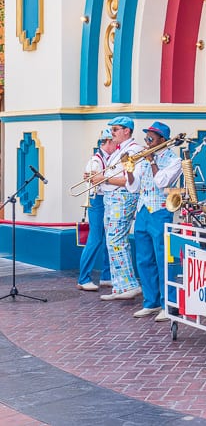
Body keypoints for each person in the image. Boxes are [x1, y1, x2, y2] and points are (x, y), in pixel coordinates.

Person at [126, 122, 182, 322]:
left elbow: (162, 182)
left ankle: (169, 304)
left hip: (160, 212)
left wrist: (151, 161)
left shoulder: (173, 161)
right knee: (143, 259)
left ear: (162, 141)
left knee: (162, 259)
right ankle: (151, 302)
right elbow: (133, 188)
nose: (147, 141)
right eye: (147, 138)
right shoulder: (142, 160)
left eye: (151, 138)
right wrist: (129, 169)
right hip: (142, 211)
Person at [93, 116, 143, 301]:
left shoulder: (134, 150)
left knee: (116, 240)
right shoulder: (118, 151)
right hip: (111, 198)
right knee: (112, 241)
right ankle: (119, 287)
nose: (111, 133)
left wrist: (102, 179)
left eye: (115, 129)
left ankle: (129, 285)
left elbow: (130, 182)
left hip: (122, 198)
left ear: (126, 131)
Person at [76, 128, 116, 291]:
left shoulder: (107, 158)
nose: (116, 145)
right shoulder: (96, 161)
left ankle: (106, 276)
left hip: (105, 200)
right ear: (107, 142)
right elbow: (95, 184)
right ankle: (83, 278)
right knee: (95, 239)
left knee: (107, 239)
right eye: (113, 142)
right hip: (97, 201)